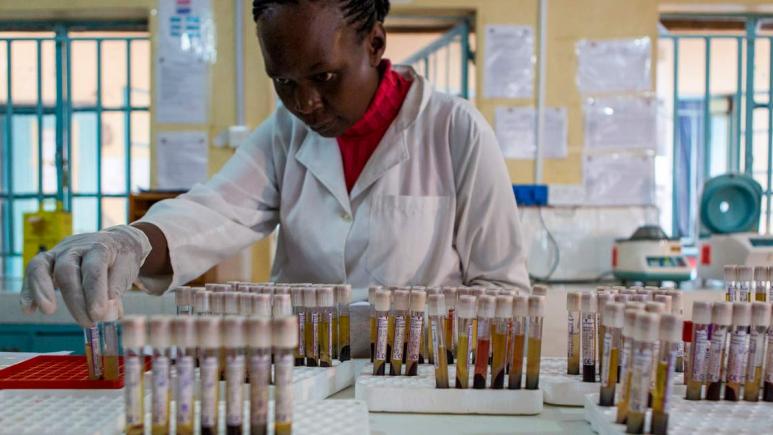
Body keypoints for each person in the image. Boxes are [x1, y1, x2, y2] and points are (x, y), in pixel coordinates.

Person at [20, 0, 530, 327]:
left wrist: (386, 324)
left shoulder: (453, 129)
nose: (304, 103)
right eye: (283, 81)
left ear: (375, 44)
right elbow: (218, 210)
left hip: (418, 387)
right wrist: (127, 242)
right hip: (303, 380)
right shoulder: (286, 134)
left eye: (324, 77)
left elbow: (503, 290)